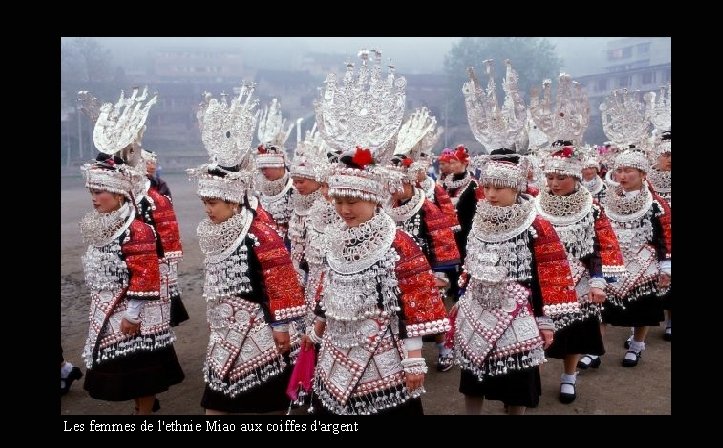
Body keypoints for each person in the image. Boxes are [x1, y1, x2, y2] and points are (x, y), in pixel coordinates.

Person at [301, 147, 450, 415]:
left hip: (382, 350)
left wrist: (414, 358)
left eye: (352, 201)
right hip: (336, 347)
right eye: (338, 201)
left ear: (373, 199)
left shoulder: (397, 243)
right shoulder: (336, 237)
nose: (344, 210)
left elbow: (416, 302)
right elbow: (328, 291)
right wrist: (317, 331)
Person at [191, 86, 306, 414]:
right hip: (224, 328)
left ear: (232, 201)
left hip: (257, 328)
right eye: (204, 203)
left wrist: (280, 326)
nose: (207, 210)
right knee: (216, 404)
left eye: (213, 203)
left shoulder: (259, 234)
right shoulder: (213, 231)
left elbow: (280, 284)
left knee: (262, 404)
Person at [453, 149, 580, 415]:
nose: (491, 194)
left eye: (499, 188)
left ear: (516, 187)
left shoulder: (536, 225)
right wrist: (462, 294)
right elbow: (470, 263)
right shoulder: (479, 219)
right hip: (477, 306)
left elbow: (548, 273)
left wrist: (545, 319)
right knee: (473, 378)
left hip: (519, 311)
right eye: (487, 187)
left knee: (518, 380)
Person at [79, 154, 184, 414]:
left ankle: (143, 414)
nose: (93, 198)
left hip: (134, 313)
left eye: (99, 191)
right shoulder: (101, 226)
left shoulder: (138, 230)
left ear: (119, 195)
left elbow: (145, 274)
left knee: (141, 370)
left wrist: (133, 313)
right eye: (92, 192)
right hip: (108, 307)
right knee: (129, 369)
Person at [536, 144, 624, 403]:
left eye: (561, 177)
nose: (554, 183)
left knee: (574, 334)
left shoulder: (591, 207)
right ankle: (532, 382)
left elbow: (599, 245)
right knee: (535, 334)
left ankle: (569, 376)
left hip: (579, 280)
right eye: (550, 177)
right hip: (543, 278)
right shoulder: (534, 206)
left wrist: (598, 280)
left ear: (576, 177)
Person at [386, 154, 461, 372]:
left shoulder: (426, 207)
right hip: (396, 269)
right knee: (400, 313)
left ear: (409, 181)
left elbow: (441, 239)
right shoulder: (389, 208)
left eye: (397, 184)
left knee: (431, 311)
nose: (393, 190)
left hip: (425, 269)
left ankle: (445, 347)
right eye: (390, 185)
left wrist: (439, 273)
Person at [598, 148, 671, 367]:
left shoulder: (656, 203)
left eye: (628, 170)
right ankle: (595, 350)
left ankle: (637, 345)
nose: (622, 176)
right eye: (619, 170)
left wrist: (666, 265)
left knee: (642, 309)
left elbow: (666, 234)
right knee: (603, 308)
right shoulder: (607, 201)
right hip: (614, 261)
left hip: (644, 264)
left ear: (642, 174)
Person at [440, 145, 479, 302]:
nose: (452, 165)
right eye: (450, 162)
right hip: (447, 229)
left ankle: (461, 287)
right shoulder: (446, 184)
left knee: (463, 258)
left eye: (455, 162)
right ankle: (453, 285)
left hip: (465, 229)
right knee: (448, 259)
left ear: (465, 163)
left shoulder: (473, 185)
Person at [645, 131, 671, 341]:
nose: (670, 159)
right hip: (653, 237)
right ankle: (638, 328)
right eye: (667, 154)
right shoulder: (646, 179)